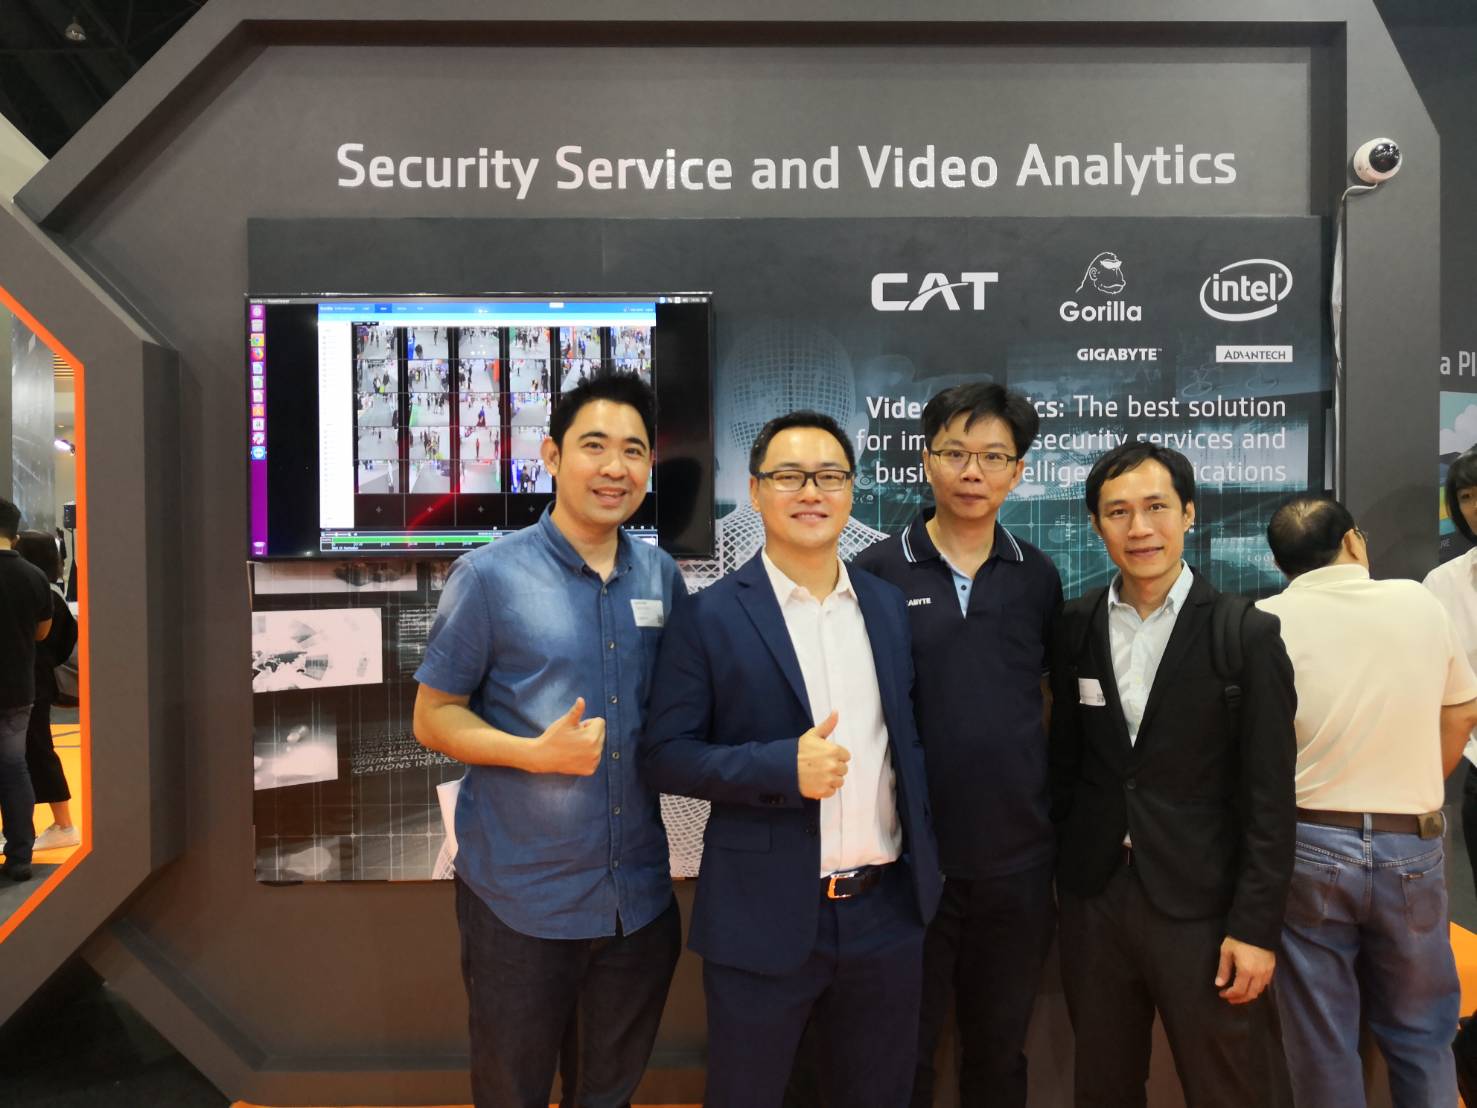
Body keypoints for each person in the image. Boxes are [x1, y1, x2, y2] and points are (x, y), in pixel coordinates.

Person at [643, 410, 942, 1108]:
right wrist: (780, 768)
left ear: (850, 490)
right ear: (754, 491)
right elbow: (665, 756)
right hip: (761, 916)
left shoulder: (885, 606)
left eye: (829, 476)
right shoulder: (710, 615)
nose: (811, 491)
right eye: (788, 476)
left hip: (885, 913)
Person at [412, 372, 684, 1108]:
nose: (615, 467)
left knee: (607, 1097)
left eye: (633, 450)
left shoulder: (660, 576)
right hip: (521, 904)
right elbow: (432, 716)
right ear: (552, 456)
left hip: (636, 903)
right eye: (594, 445)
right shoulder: (489, 577)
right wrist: (532, 754)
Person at [1048, 443, 1296, 1107]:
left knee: (1228, 1087)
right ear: (1096, 525)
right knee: (1102, 1086)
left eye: (1156, 507)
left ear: (1188, 513)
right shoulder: (1073, 626)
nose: (1139, 528)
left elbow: (1270, 798)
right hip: (1097, 899)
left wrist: (1255, 928)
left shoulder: (1245, 634)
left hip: (1204, 907)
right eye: (1118, 512)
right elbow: (1066, 766)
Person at [853, 383, 1061, 1108]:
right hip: (909, 861)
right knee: (900, 1053)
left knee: (998, 1053)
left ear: (1018, 471)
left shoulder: (1038, 576)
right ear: (926, 460)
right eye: (955, 453)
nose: (972, 472)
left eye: (993, 457)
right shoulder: (876, 572)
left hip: (1017, 864)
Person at [1260, 495, 1477, 1107]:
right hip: (1411, 840)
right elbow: (1462, 712)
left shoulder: (1264, 620)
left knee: (1322, 1038)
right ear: (1353, 541)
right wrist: (1416, 783)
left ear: (1280, 563)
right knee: (1423, 1033)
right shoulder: (1418, 601)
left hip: (1308, 842)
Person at [15, 531, 80, 851]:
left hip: (31, 683)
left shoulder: (37, 593)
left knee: (37, 751)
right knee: (31, 752)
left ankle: (63, 823)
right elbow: (64, 642)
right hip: (37, 681)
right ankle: (24, 825)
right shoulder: (50, 593)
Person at [0, 499, 54, 882]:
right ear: (15, 535)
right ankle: (20, 856)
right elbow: (42, 633)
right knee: (15, 768)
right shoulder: (34, 576)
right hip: (18, 688)